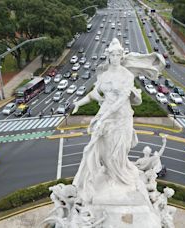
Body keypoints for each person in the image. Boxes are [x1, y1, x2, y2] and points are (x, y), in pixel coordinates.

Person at [71, 38, 165, 202]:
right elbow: (95, 93)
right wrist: (79, 103)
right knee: (99, 151)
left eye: (118, 55)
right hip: (105, 114)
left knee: (117, 153)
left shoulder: (126, 75)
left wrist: (103, 117)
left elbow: (122, 99)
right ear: (108, 56)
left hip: (121, 117)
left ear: (121, 56)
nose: (115, 57)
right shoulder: (104, 75)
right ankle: (104, 179)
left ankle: (119, 179)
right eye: (112, 54)